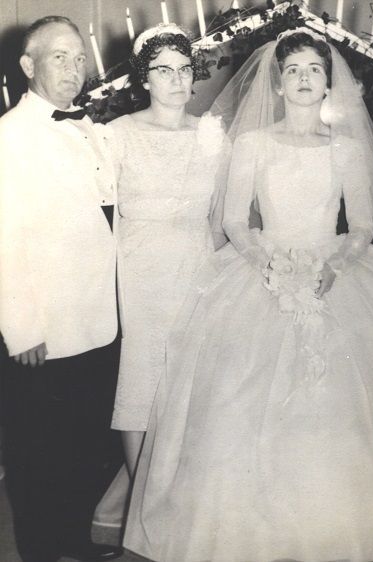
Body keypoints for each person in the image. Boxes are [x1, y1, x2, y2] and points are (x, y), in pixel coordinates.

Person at [123, 28, 373, 562]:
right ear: (277, 82)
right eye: (292, 69)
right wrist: (268, 262)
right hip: (261, 271)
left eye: (313, 70)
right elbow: (233, 221)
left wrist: (335, 266)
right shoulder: (250, 144)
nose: (302, 79)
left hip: (335, 272)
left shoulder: (346, 149)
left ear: (328, 84)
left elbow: (362, 225)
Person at [0, 16, 122, 562]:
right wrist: (21, 327)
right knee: (37, 453)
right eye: (59, 58)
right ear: (28, 66)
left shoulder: (89, 125)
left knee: (84, 445)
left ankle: (73, 541)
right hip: (44, 330)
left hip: (96, 318)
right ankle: (42, 552)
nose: (74, 69)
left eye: (79, 58)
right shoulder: (9, 136)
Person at [108, 22, 226, 477]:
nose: (177, 80)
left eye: (183, 70)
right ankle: (141, 488)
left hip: (195, 263)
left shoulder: (211, 134)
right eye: (163, 71)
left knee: (190, 372)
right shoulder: (117, 133)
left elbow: (222, 214)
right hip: (140, 267)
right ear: (143, 79)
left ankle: (180, 483)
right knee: (142, 370)